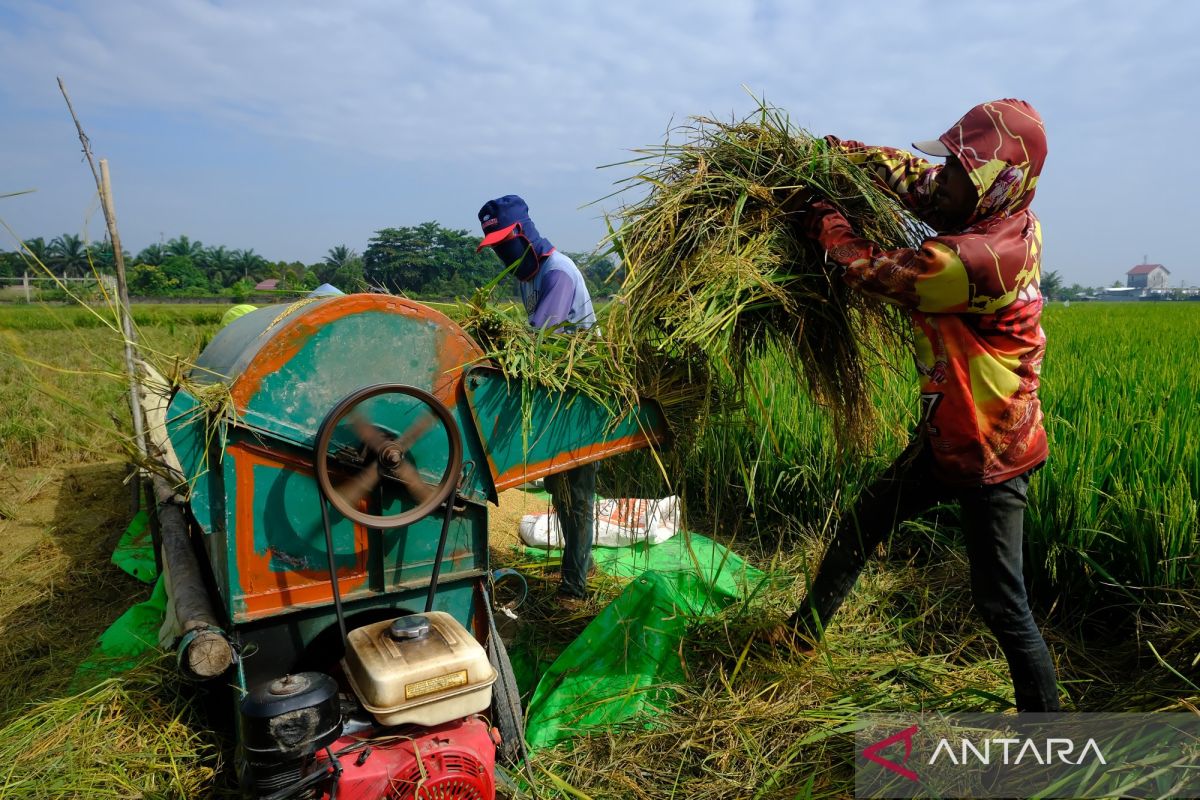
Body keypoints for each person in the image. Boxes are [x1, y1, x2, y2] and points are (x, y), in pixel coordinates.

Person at [772, 99, 1061, 712]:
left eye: (958, 169)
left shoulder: (978, 260)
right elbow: (913, 177)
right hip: (947, 437)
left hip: (990, 453)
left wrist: (821, 216)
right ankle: (800, 635)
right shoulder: (1002, 209)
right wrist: (837, 153)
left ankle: (1047, 738)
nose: (942, 179)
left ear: (992, 181)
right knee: (862, 523)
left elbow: (870, 269)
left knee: (1002, 603)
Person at [477, 194, 598, 604]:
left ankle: (575, 589)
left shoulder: (557, 273)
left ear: (525, 235)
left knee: (576, 493)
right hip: (556, 394)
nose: (500, 253)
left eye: (504, 243)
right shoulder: (526, 276)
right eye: (494, 246)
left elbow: (537, 338)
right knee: (559, 486)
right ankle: (583, 562)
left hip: (580, 396)